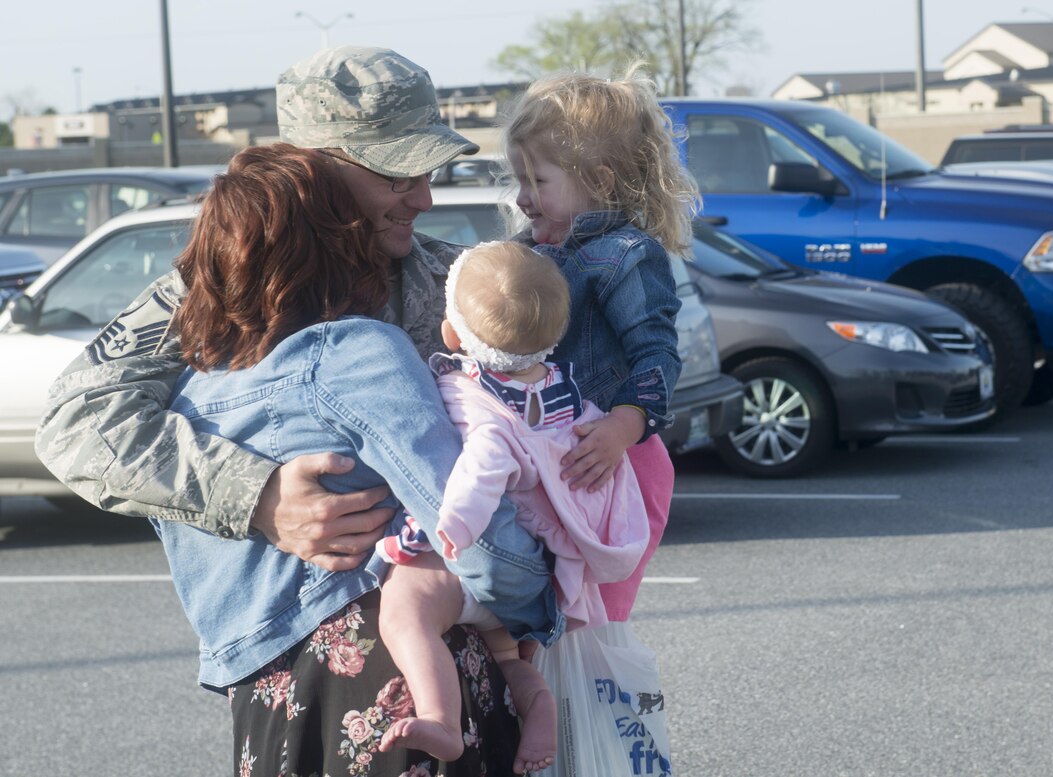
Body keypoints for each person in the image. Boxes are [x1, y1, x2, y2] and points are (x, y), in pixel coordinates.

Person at [35, 47, 562, 777]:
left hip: (470, 649)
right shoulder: (220, 285)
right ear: (311, 166)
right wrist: (254, 495)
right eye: (395, 173)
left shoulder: (461, 284)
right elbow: (77, 422)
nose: (423, 199)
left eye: (428, 171)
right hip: (310, 667)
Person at [376, 240, 650, 772]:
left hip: (489, 557)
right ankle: (538, 702)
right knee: (506, 652)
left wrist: (446, 527)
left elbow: (482, 469)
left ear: (452, 335)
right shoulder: (568, 394)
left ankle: (439, 718)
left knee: (405, 609)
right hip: (544, 569)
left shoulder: (478, 402)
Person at [498, 66, 700, 776]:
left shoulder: (626, 255)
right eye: (518, 178)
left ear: (602, 181)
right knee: (543, 627)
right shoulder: (532, 252)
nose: (522, 197)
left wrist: (625, 423)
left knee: (588, 627)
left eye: (538, 179)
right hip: (565, 466)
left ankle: (592, 747)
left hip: (619, 463)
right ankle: (557, 739)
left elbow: (655, 351)